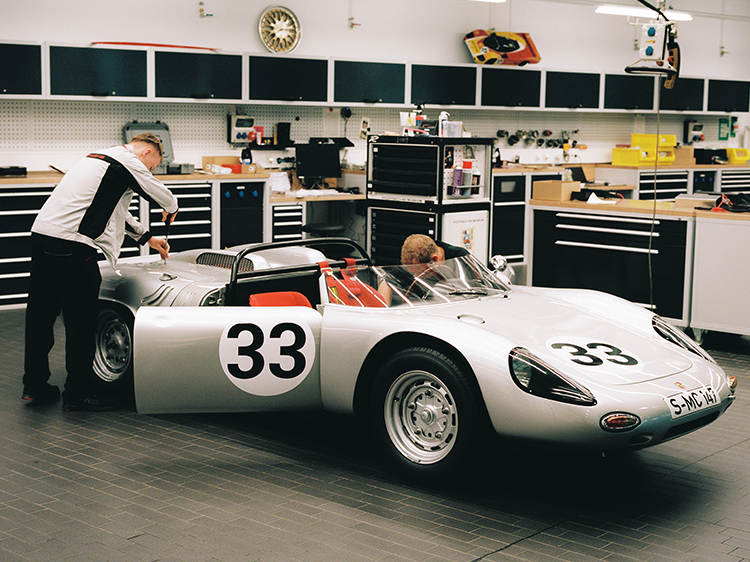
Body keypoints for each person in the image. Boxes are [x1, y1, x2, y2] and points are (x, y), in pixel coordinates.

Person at [21, 133, 179, 412]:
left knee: (40, 316)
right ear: (145, 154)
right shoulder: (127, 159)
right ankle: (78, 394)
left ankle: (34, 386)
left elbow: (115, 211)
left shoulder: (98, 158)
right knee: (81, 320)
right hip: (71, 245)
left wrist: (147, 238)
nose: (149, 170)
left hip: (42, 236)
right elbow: (158, 192)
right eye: (152, 165)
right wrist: (172, 206)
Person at [400, 233, 469, 265]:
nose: (417, 277)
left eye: (420, 272)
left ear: (435, 259)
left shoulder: (462, 258)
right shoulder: (412, 262)